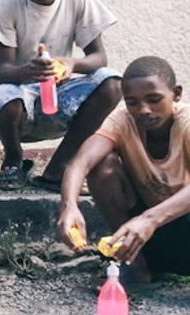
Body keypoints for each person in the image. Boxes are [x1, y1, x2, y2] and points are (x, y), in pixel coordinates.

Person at [0, 0, 122, 191]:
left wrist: (71, 64)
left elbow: (99, 58)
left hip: (60, 96)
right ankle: (14, 161)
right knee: (3, 97)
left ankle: (60, 167)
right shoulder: (7, 4)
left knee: (113, 82)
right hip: (21, 98)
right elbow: (2, 73)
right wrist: (29, 71)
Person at [59, 57, 190, 281]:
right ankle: (133, 264)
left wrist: (150, 219)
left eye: (154, 99)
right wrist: (69, 205)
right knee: (103, 165)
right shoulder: (122, 120)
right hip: (142, 236)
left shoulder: (186, 121)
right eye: (133, 102)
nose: (144, 110)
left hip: (179, 227)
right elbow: (81, 162)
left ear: (176, 94)